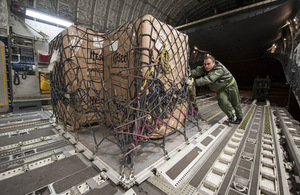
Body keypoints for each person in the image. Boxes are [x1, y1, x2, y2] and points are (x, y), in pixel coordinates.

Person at [186, 56, 243, 124]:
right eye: (205, 64)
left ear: (213, 63)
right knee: (223, 102)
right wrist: (189, 73)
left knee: (235, 102)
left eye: (208, 64)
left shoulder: (219, 68)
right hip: (220, 88)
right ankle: (230, 116)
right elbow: (198, 71)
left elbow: (209, 78)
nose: (206, 66)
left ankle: (239, 118)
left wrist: (193, 83)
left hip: (230, 85)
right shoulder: (206, 68)